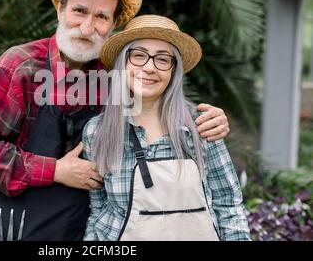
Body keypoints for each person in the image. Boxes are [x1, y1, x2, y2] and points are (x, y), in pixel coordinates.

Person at [0, 0, 231, 241]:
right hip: (13, 230)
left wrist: (208, 119)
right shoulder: (22, 65)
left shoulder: (118, 75)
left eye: (101, 16)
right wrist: (55, 170)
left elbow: (162, 102)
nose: (88, 27)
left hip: (82, 233)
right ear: (60, 10)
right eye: (80, 11)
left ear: (113, 25)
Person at [82, 14, 250, 241]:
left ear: (174, 71)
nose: (150, 67)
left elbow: (228, 205)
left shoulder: (202, 125)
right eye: (139, 56)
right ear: (123, 64)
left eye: (162, 59)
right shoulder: (97, 131)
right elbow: (98, 211)